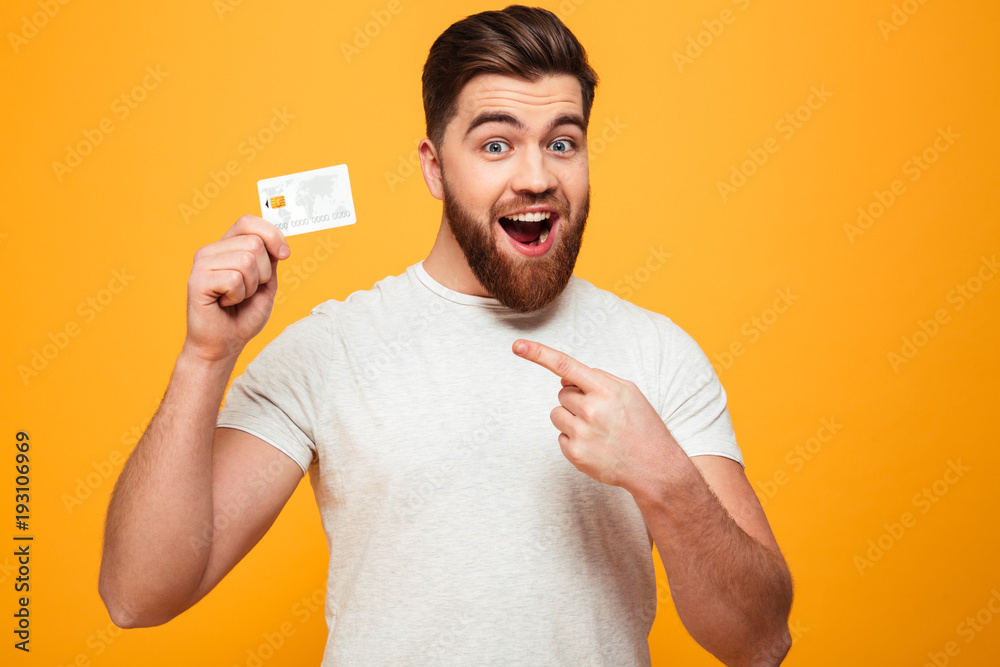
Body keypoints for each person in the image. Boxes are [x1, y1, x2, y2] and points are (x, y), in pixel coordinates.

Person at [99, 5, 793, 665]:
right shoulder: (331, 349)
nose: (537, 176)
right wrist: (204, 358)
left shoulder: (658, 353)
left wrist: (666, 477)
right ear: (434, 166)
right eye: (496, 144)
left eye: (562, 142)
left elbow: (760, 642)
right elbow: (138, 594)